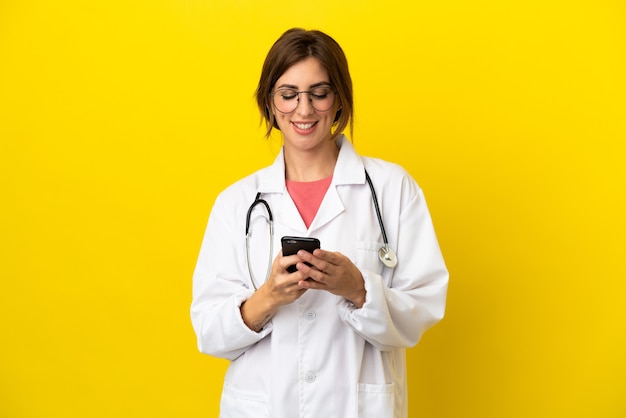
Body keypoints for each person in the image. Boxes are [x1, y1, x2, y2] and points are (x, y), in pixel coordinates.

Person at [190, 28, 448, 418]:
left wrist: (358, 289)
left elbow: (424, 306)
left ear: (339, 98)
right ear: (270, 103)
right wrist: (269, 297)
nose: (304, 110)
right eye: (288, 94)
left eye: (319, 92)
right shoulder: (237, 203)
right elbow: (209, 331)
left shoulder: (392, 188)